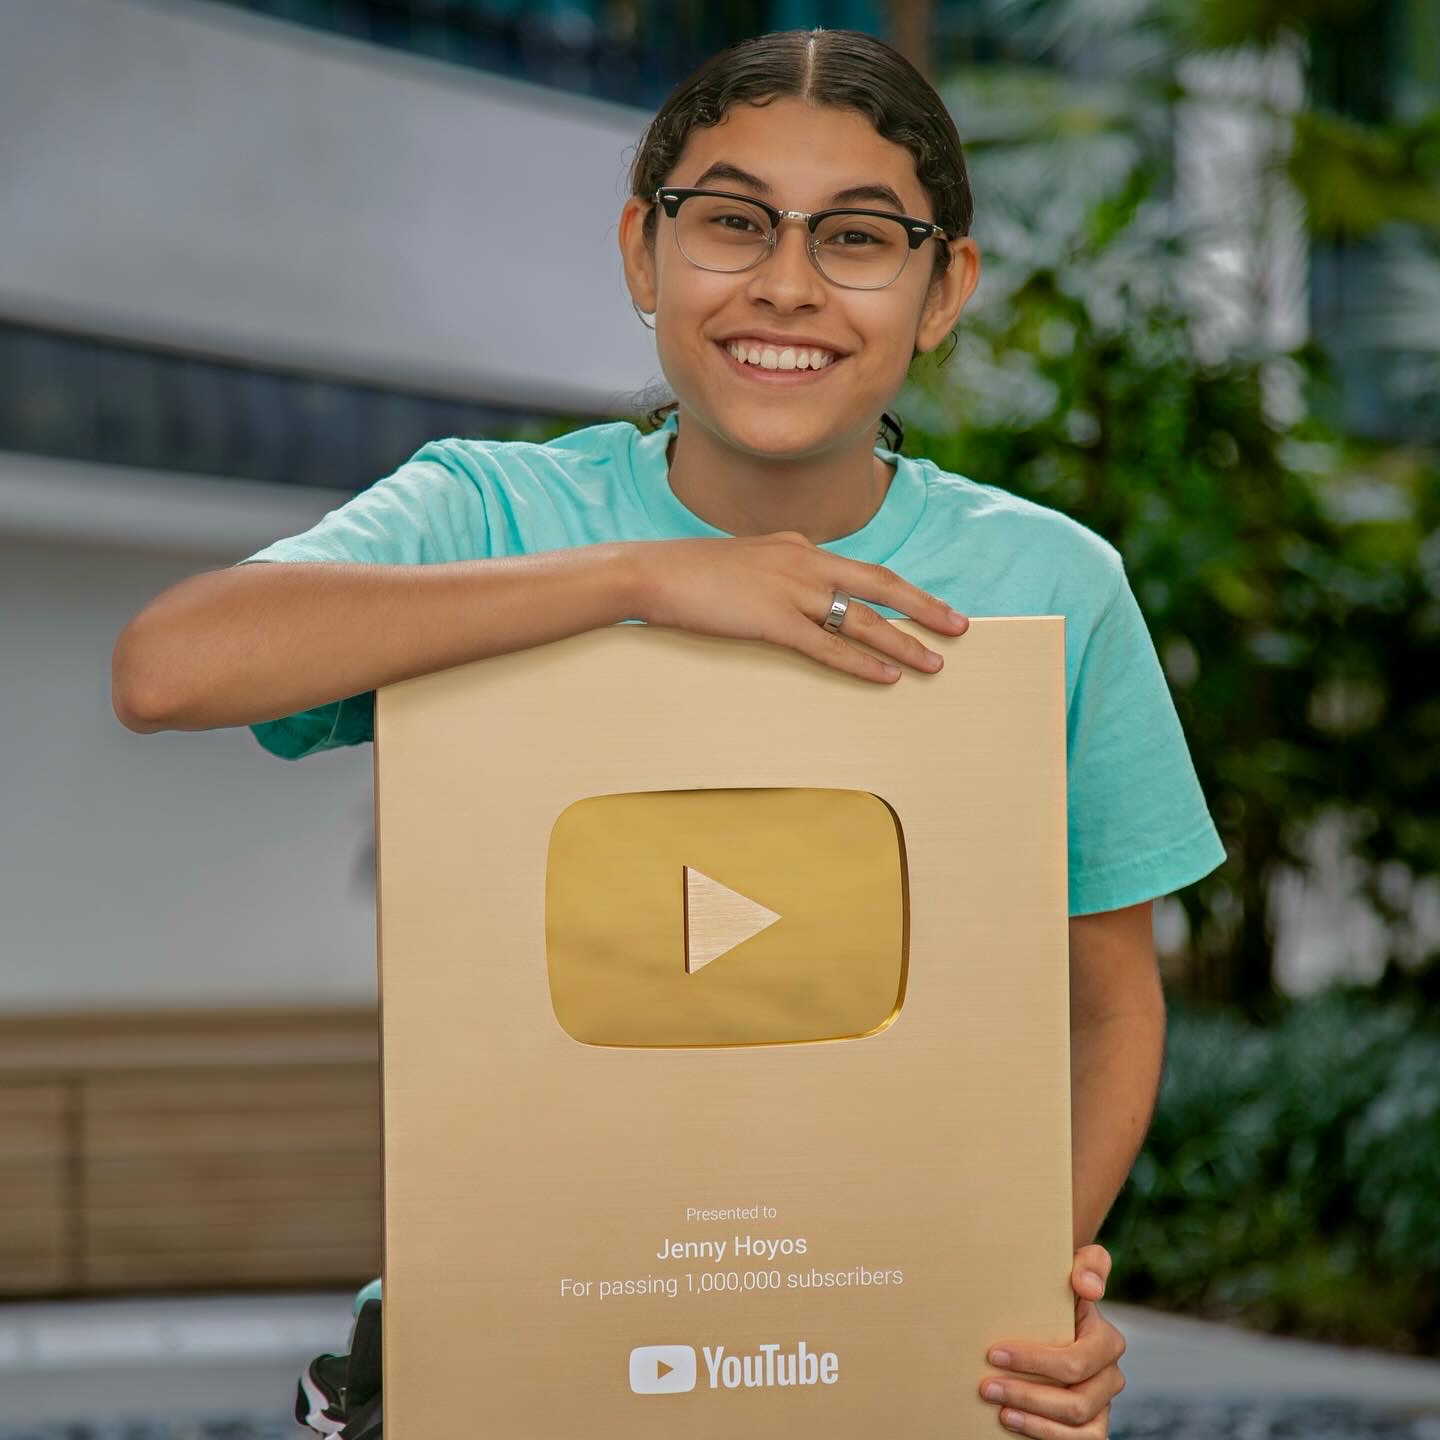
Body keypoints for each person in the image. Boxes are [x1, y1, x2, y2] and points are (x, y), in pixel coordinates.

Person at [112, 27, 1225, 1439]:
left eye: (861, 239)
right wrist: (652, 580)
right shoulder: (492, 517)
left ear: (945, 291)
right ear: (644, 252)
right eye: (732, 222)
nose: (786, 283)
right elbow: (171, 665)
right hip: (506, 1354)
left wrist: (1018, 1285)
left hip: (876, 1357)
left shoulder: (1054, 583)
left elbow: (1111, 998)